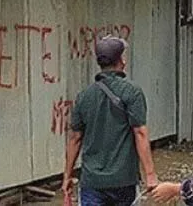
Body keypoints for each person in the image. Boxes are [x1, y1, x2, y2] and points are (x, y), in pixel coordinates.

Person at [63, 37, 158, 206]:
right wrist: (150, 175)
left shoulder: (84, 96)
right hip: (124, 181)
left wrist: (67, 177)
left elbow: (75, 139)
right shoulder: (132, 92)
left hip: (92, 182)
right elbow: (140, 133)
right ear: (121, 60)